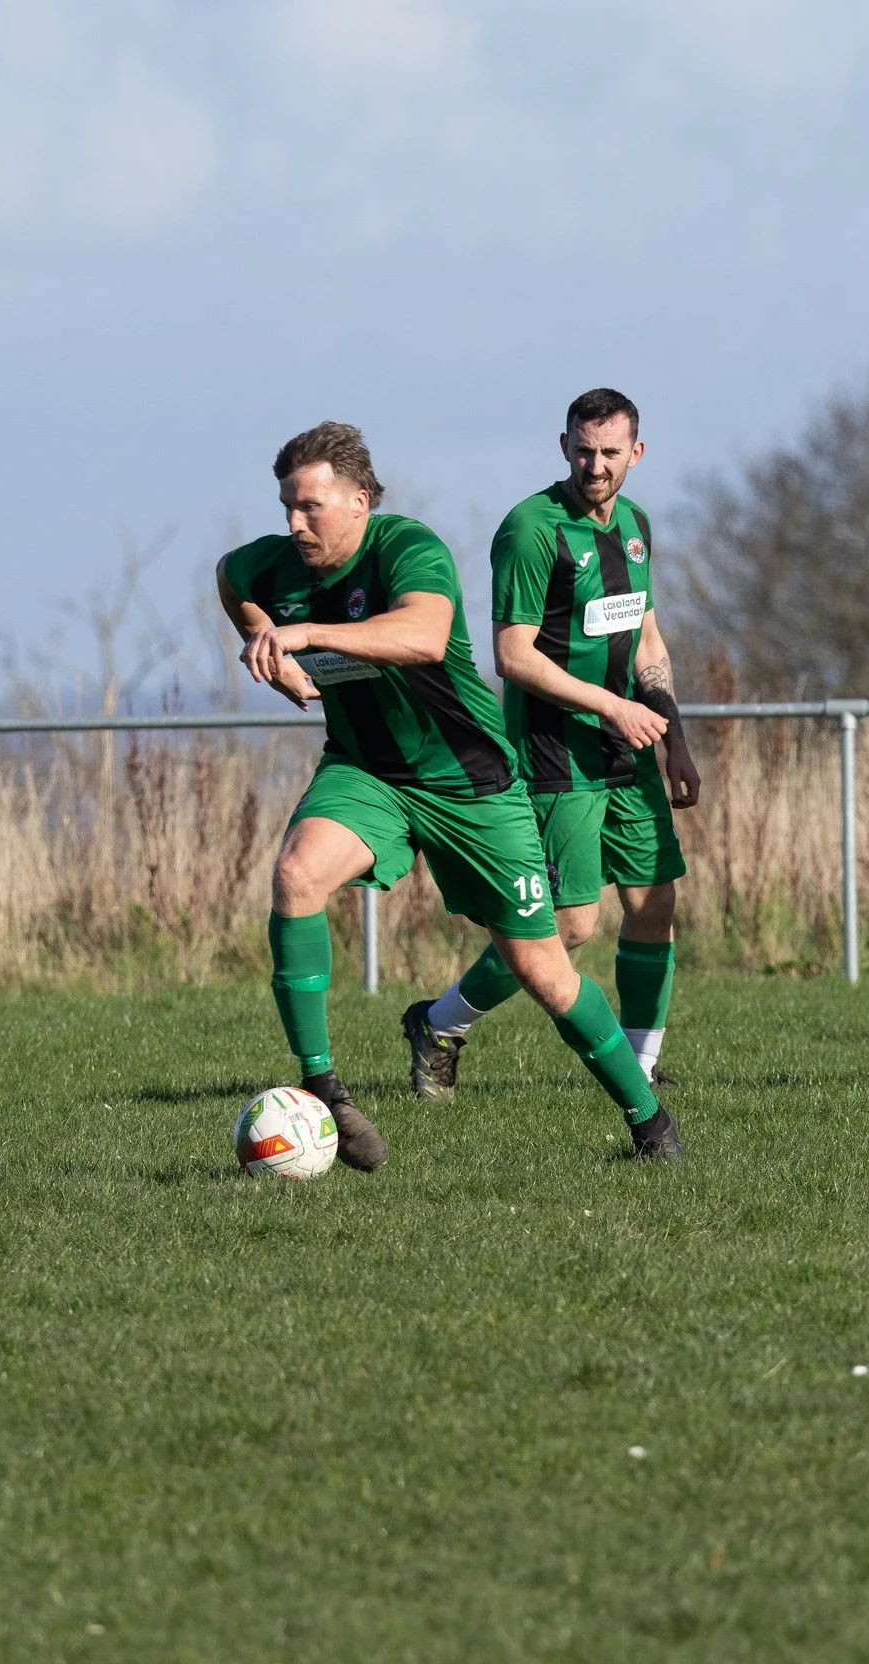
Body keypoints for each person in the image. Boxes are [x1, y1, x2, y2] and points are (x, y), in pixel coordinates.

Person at [216, 420, 683, 1168]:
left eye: (312, 507)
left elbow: (425, 635)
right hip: (365, 771)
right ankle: (325, 1092)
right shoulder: (269, 567)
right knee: (296, 874)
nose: (296, 523)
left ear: (361, 500)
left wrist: (306, 636)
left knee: (544, 968)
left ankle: (651, 1124)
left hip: (471, 784)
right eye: (286, 508)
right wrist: (262, 637)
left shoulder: (408, 548)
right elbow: (233, 582)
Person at [402, 389, 700, 1101]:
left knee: (655, 903)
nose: (596, 466)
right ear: (563, 444)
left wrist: (675, 736)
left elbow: (647, 638)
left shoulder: (635, 526)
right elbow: (514, 655)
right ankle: (440, 1024)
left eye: (610, 452)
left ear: (637, 452)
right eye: (583, 449)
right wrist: (612, 706)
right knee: (567, 927)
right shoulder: (531, 530)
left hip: (630, 747)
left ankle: (641, 1066)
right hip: (553, 753)